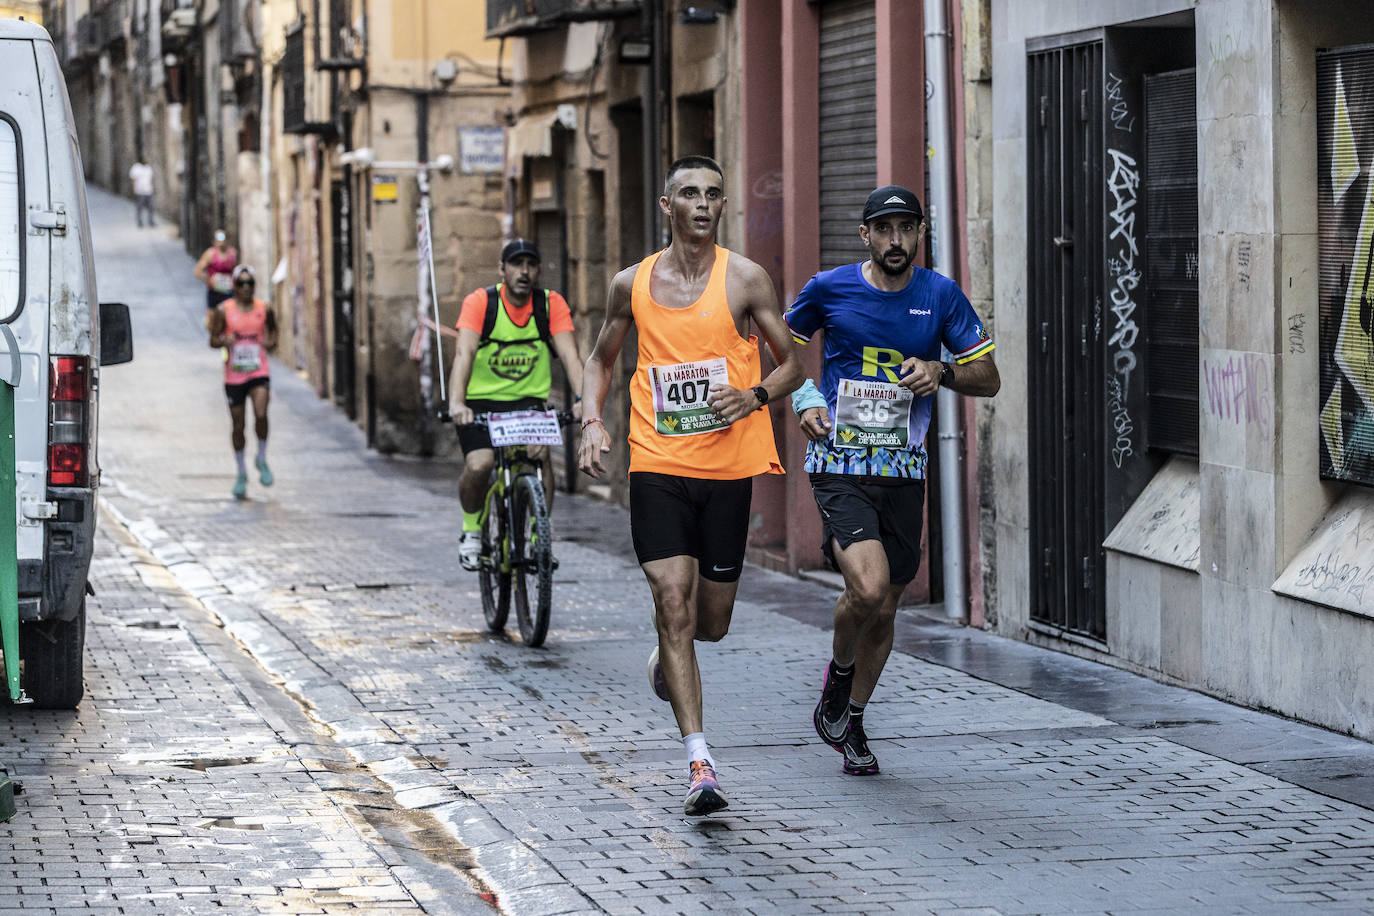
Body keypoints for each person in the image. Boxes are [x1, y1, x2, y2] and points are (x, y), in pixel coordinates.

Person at [579, 156, 804, 816]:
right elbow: (600, 359)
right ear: (666, 206)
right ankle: (699, 761)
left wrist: (755, 394)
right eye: (690, 194)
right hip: (657, 462)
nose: (703, 204)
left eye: (713, 194)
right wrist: (593, 420)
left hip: (729, 469)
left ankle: (667, 656)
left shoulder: (746, 280)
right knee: (671, 596)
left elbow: (793, 364)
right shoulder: (632, 284)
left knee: (712, 621)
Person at [786, 185, 1000, 776]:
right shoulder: (829, 288)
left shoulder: (940, 295)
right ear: (866, 236)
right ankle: (840, 671)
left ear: (920, 234)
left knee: (887, 608)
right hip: (841, 462)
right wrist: (805, 397)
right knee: (870, 587)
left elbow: (989, 376)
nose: (896, 240)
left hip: (905, 468)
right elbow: (774, 345)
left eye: (907, 229)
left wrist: (943, 370)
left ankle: (852, 720)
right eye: (884, 229)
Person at [448, 238, 583, 571]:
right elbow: (464, 354)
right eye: (516, 264)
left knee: (541, 457)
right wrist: (456, 402)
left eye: (531, 264)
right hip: (481, 402)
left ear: (538, 270)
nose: (524, 272)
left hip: (527, 402)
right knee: (480, 465)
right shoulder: (481, 302)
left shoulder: (550, 304)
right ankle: (471, 530)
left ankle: (540, 536)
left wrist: (583, 400)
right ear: (502, 269)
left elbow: (570, 355)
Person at [208, 265, 278, 500]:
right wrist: (223, 340)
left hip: (258, 371)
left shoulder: (263, 309)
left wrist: (270, 344)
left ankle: (261, 457)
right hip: (234, 374)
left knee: (261, 414)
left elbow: (274, 333)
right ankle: (241, 472)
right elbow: (213, 341)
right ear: (235, 286)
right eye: (242, 283)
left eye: (250, 283)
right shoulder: (223, 311)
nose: (246, 288)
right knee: (238, 425)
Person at [194, 229, 238, 313]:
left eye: (223, 240)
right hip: (214, 292)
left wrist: (234, 283)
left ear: (227, 240)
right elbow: (197, 271)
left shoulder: (232, 254)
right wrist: (209, 280)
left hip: (228, 291)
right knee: (213, 317)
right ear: (214, 241)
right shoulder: (210, 254)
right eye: (218, 240)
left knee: (228, 315)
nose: (221, 243)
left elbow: (236, 271)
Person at [129, 158, 154, 228]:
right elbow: (132, 178)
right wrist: (134, 188)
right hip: (140, 191)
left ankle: (151, 221)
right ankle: (139, 221)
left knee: (151, 207)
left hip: (148, 190)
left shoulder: (148, 168)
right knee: (140, 207)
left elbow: (150, 178)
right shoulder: (136, 167)